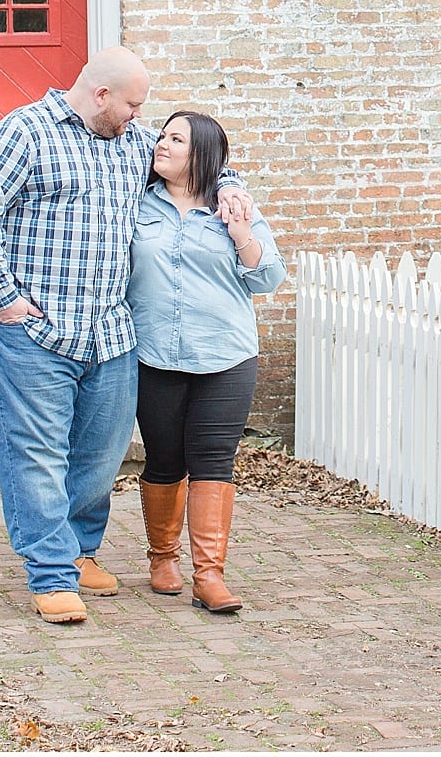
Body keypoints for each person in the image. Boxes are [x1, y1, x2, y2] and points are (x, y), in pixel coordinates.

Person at [0, 48, 250, 625]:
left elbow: (195, 165)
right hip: (36, 331)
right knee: (38, 455)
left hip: (112, 333)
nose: (140, 118)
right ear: (100, 96)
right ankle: (51, 574)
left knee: (100, 455)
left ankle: (81, 550)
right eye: (133, 105)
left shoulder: (131, 143)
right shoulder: (24, 133)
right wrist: (4, 299)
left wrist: (232, 187)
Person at [130, 109, 284, 614]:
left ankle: (210, 575)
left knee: (214, 461)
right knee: (164, 459)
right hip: (155, 352)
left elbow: (268, 279)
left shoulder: (233, 204)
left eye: (176, 139)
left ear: (201, 154)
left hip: (225, 353)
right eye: (162, 136)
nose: (163, 145)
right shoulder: (137, 201)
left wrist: (241, 233)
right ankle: (162, 558)